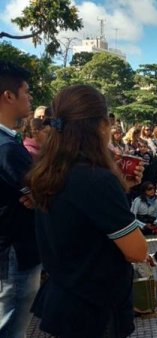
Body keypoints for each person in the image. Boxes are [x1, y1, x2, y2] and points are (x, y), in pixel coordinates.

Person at [27, 84, 148, 337]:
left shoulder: (48, 171)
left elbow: (81, 224)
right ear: (101, 125)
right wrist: (115, 187)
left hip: (64, 298)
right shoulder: (96, 180)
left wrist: (122, 187)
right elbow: (137, 251)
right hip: (95, 309)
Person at [0, 62, 41, 337]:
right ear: (8, 96)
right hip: (16, 251)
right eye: (25, 91)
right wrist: (40, 195)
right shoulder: (6, 149)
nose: (30, 98)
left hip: (13, 249)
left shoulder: (9, 142)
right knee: (12, 325)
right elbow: (44, 191)